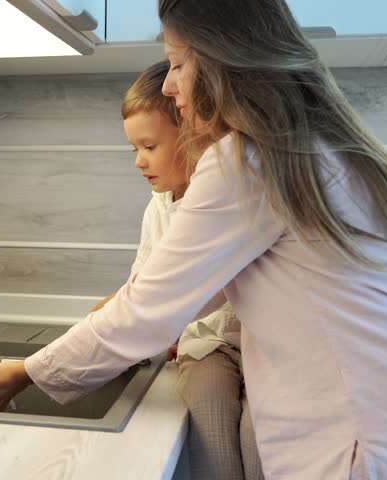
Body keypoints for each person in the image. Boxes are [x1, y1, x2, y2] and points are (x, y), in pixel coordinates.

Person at [0, 0, 387, 478]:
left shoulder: (249, 160)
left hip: (374, 450)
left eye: (176, 63)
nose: (170, 87)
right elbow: (196, 294)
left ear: (224, 61)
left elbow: (147, 311)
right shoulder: (314, 150)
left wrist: (25, 371)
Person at [102, 60, 262, 480]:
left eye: (149, 146)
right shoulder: (157, 208)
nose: (139, 161)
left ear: (193, 135)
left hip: (263, 346)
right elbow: (140, 293)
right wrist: (103, 324)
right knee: (214, 440)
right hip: (205, 348)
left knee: (258, 441)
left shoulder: (239, 194)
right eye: (134, 148)